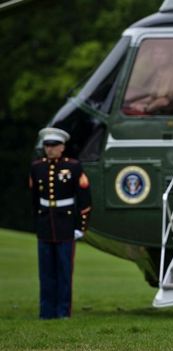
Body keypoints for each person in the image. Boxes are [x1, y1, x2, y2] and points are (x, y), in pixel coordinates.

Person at [29, 127, 92, 319]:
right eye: (47, 145)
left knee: (64, 272)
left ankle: (63, 311)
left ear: (62, 147)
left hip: (66, 225)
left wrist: (80, 227)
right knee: (46, 272)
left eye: (53, 145)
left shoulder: (73, 167)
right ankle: (46, 312)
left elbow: (85, 199)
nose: (49, 149)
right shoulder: (36, 167)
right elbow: (34, 198)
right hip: (46, 225)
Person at [123, 45, 173, 115]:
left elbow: (164, 101)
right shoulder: (158, 72)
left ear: (169, 57)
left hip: (163, 115)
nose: (158, 57)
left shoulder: (171, 75)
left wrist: (146, 109)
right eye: (155, 53)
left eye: (162, 53)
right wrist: (135, 104)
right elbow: (152, 96)